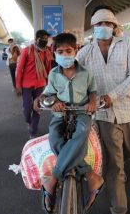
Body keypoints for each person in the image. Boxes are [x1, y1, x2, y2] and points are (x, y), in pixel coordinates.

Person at [76, 5, 130, 214]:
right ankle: (119, 208)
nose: (103, 27)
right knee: (114, 165)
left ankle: (125, 164)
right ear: (93, 27)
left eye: (107, 23)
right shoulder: (86, 51)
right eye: (99, 24)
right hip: (103, 114)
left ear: (114, 26)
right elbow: (65, 72)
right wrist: (48, 92)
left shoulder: (127, 44)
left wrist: (112, 96)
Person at [33, 33, 104, 212]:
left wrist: (93, 102)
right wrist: (53, 102)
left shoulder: (86, 73)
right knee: (55, 138)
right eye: (60, 52)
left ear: (76, 50)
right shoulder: (54, 74)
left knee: (81, 133)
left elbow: (93, 91)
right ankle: (90, 174)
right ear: (54, 53)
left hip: (82, 111)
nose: (65, 55)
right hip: (60, 113)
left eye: (69, 51)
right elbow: (49, 93)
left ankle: (54, 178)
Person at [16, 30, 52, 138]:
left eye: (46, 39)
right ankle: (28, 121)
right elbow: (19, 69)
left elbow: (48, 69)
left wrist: (50, 83)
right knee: (27, 109)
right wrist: (18, 86)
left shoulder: (46, 52)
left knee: (38, 107)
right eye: (42, 39)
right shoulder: (27, 51)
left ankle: (33, 131)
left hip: (40, 84)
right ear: (36, 39)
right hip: (26, 85)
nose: (44, 41)